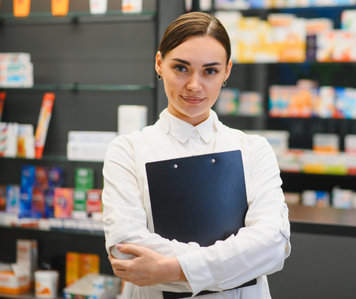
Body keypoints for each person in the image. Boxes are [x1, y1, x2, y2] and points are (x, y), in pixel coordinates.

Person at [102, 11, 291, 299]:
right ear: (159, 63)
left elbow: (272, 246)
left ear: (227, 71)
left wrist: (169, 270)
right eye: (181, 68)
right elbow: (127, 252)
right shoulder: (127, 151)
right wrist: (236, 265)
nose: (194, 85)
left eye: (210, 71)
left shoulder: (254, 150)